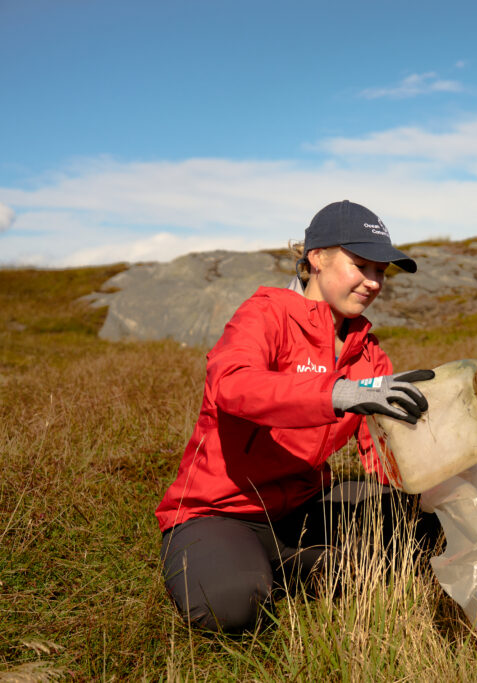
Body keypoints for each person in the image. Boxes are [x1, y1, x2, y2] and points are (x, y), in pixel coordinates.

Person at [155, 200, 439, 633]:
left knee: (430, 531)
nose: (373, 282)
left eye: (381, 271)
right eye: (360, 264)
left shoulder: (369, 352)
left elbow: (381, 458)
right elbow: (233, 386)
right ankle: (255, 569)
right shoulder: (265, 314)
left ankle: (290, 568)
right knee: (230, 607)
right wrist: (338, 393)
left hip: (304, 507)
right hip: (221, 512)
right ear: (317, 258)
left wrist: (455, 465)